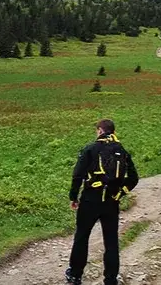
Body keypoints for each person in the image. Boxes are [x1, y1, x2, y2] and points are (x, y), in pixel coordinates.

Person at [66, 119, 139, 285]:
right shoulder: (121, 150)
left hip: (90, 199)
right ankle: (111, 279)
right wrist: (120, 194)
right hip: (111, 202)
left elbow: (77, 175)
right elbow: (134, 178)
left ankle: (75, 275)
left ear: (100, 130)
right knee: (111, 241)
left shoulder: (90, 149)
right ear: (113, 131)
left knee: (82, 237)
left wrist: (73, 197)